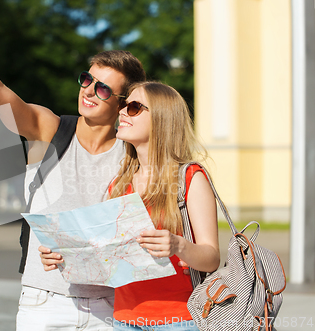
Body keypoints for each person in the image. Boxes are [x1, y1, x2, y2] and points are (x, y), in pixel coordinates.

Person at [0, 20, 146, 330]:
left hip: (109, 308)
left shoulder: (134, 154)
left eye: (102, 89)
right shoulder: (50, 129)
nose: (88, 91)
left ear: (122, 103)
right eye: (87, 79)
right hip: (44, 304)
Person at [40, 81, 220, 331]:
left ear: (162, 118)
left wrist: (179, 245)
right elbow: (107, 258)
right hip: (125, 320)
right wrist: (63, 255)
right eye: (124, 105)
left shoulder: (189, 177)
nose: (122, 111)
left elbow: (211, 258)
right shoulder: (119, 182)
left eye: (134, 107)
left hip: (180, 320)